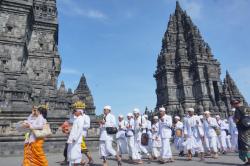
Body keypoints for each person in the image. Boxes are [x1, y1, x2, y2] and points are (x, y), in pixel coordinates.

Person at [73, 101, 94, 165]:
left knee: (82, 148)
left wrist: (80, 126)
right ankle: (81, 160)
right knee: (78, 148)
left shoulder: (86, 117)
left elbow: (88, 125)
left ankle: (86, 160)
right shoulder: (76, 117)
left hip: (81, 134)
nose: (75, 112)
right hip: (76, 134)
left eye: (76, 111)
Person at [231, 99, 250, 165]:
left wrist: (233, 118)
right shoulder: (247, 108)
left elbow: (236, 120)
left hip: (243, 130)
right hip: (249, 128)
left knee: (245, 145)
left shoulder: (238, 110)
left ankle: (249, 160)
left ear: (234, 104)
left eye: (232, 104)